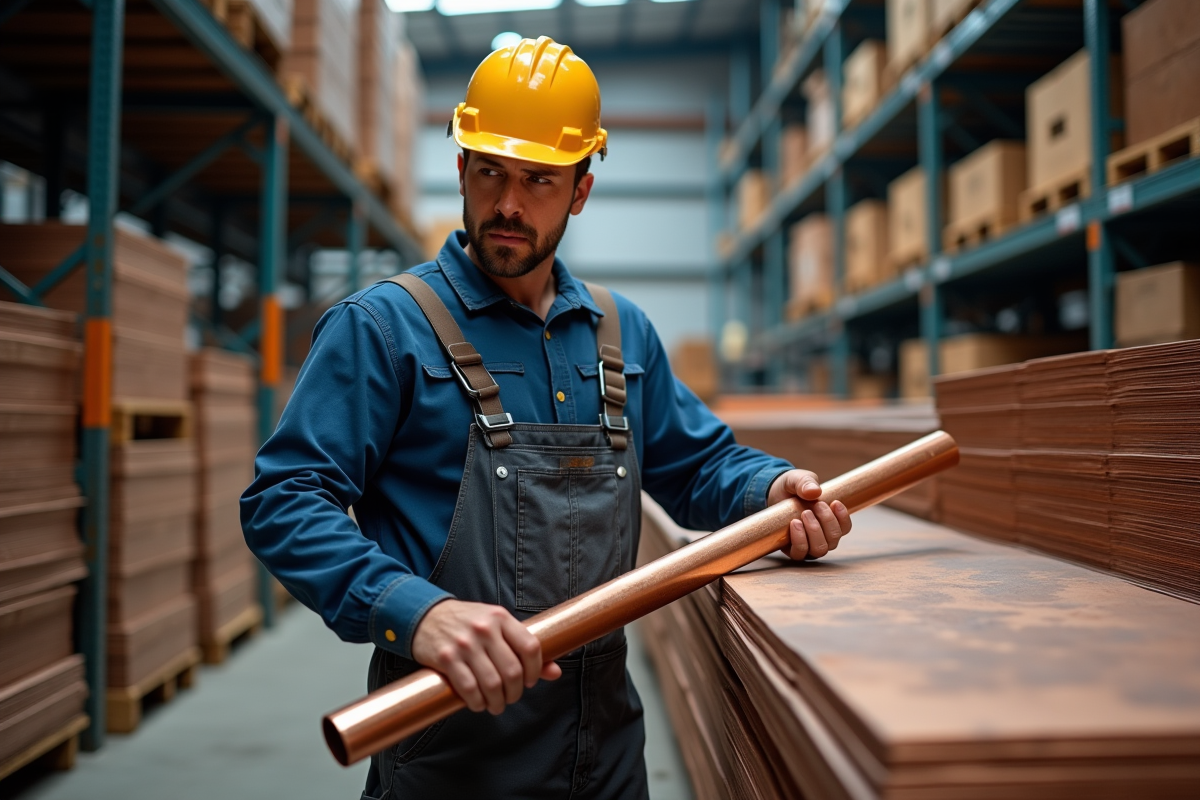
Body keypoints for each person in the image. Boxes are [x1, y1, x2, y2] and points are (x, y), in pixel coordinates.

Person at [242, 36, 850, 800]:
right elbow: (284, 500)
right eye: (490, 171)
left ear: (581, 190)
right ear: (461, 166)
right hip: (450, 763)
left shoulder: (621, 335)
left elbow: (698, 466)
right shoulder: (384, 328)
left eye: (539, 180)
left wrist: (772, 491)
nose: (508, 204)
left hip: (606, 761)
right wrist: (413, 611)